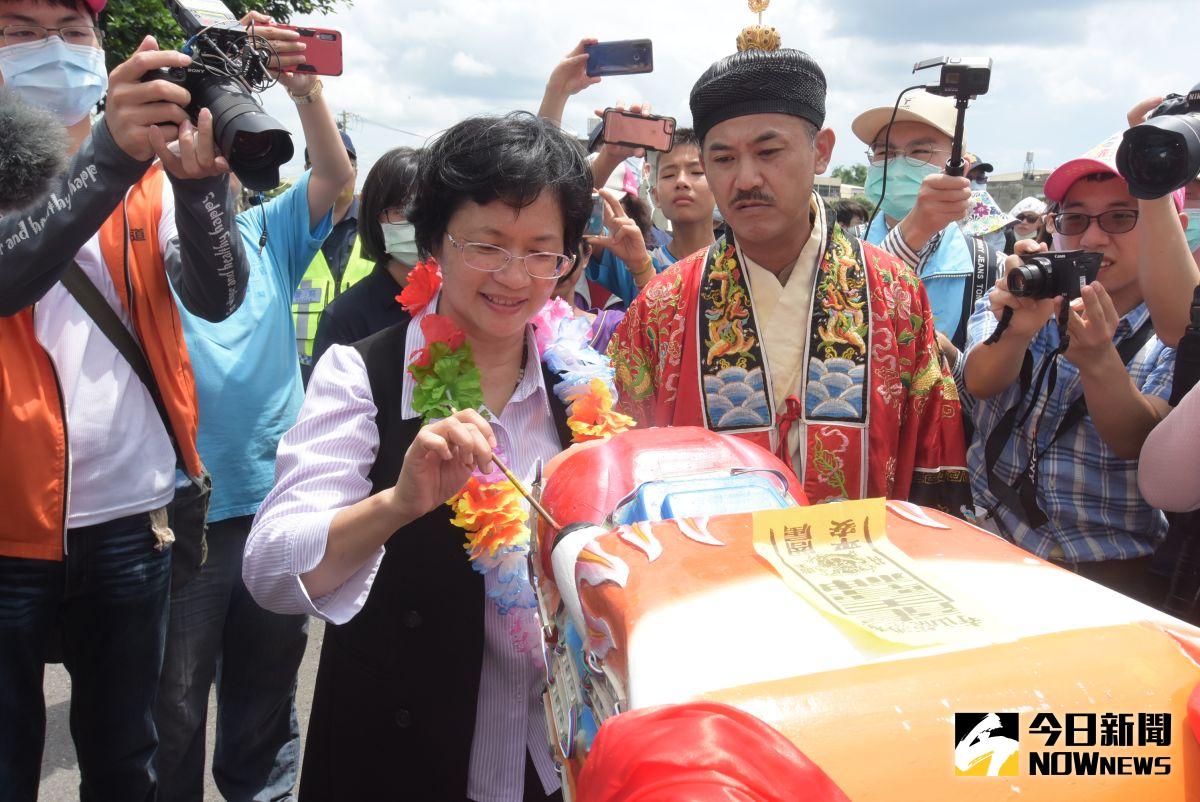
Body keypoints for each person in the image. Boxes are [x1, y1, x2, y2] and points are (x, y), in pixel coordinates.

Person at [242, 111, 594, 801]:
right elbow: (271, 573)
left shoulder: (582, 387)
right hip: (403, 757)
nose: (513, 276)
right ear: (434, 241)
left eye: (540, 250)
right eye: (486, 245)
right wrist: (395, 506)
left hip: (549, 762)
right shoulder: (363, 375)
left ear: (569, 258)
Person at [0, 1, 248, 798]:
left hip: (131, 523)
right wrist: (105, 153)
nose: (51, 48)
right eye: (17, 28)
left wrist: (204, 191)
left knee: (126, 758)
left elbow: (218, 296)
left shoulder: (146, 171)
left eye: (72, 29)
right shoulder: (116, 158)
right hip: (6, 529)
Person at [608, 47, 971, 510]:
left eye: (768, 151)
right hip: (714, 571)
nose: (745, 179)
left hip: (863, 567)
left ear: (821, 152)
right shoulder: (661, 305)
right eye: (722, 159)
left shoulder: (896, 293)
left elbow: (930, 458)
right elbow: (628, 468)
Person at [153, 12, 354, 802]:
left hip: (278, 503)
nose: (226, 157)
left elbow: (334, 178)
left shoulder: (269, 233)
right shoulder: (142, 234)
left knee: (267, 692)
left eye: (235, 145)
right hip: (184, 515)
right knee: (171, 702)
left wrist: (305, 95)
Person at [961, 133, 1188, 600]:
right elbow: (978, 385)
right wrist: (1017, 331)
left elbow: (1145, 448)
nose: (1093, 236)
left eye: (1122, 216)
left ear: (1173, 228)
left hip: (1110, 575)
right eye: (1076, 218)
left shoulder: (1179, 335)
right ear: (1054, 225)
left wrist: (1099, 361)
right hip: (988, 546)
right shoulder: (1023, 292)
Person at [854, 89, 1004, 357]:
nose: (897, 164)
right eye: (883, 152)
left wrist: (951, 362)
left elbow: (991, 392)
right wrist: (915, 228)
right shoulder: (838, 249)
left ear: (961, 167)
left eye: (919, 151)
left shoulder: (991, 268)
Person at [311, 145, 422, 364]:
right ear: (374, 216)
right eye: (402, 209)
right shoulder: (345, 317)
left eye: (426, 208)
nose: (417, 221)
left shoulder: (455, 301)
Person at [293, 130, 373, 382]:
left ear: (356, 171)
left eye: (344, 163)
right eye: (323, 163)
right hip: (298, 384)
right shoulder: (288, 234)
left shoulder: (378, 232)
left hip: (363, 382)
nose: (336, 171)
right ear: (306, 171)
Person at [646, 127, 717, 267]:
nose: (681, 181)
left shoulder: (743, 264)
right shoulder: (640, 266)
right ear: (656, 197)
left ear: (718, 187)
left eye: (696, 172)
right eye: (669, 175)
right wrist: (611, 155)